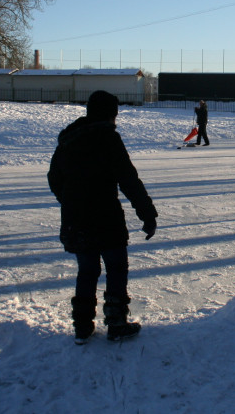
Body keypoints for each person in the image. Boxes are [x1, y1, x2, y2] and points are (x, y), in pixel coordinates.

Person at [47, 90, 158, 344]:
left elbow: (54, 178)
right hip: (106, 217)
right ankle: (117, 322)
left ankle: (82, 326)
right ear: (111, 114)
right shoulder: (108, 138)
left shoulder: (68, 140)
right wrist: (147, 214)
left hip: (77, 219)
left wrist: (70, 201)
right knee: (116, 267)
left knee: (87, 270)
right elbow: (129, 179)